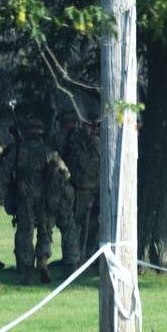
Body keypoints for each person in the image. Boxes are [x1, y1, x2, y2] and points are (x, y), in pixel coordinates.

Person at [3, 116, 72, 285]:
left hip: (24, 197)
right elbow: (66, 174)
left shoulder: (18, 151)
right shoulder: (49, 151)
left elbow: (5, 176)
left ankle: (28, 274)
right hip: (46, 198)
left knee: (25, 233)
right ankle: (42, 261)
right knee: (45, 231)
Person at [50, 110, 100, 276]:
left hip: (92, 192)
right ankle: (72, 263)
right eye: (90, 126)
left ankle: (84, 260)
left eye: (95, 127)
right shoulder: (71, 139)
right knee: (72, 227)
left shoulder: (97, 144)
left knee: (89, 228)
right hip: (72, 190)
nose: (92, 130)